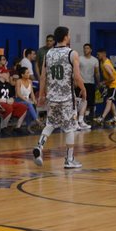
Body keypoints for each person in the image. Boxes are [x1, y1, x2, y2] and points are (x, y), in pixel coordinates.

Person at [32, 26, 87, 169]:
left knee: (50, 124)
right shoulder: (72, 53)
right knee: (70, 129)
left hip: (52, 97)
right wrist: (83, 88)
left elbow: (43, 77)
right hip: (67, 98)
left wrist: (42, 95)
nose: (69, 37)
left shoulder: (48, 54)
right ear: (65, 37)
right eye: (68, 35)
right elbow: (76, 76)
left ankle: (40, 146)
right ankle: (69, 160)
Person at [0, 66, 28, 136]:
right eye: (6, 72)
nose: (8, 74)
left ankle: (18, 127)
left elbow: (11, 96)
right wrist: (6, 101)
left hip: (7, 102)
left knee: (23, 107)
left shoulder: (8, 84)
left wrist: (11, 99)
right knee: (8, 107)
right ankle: (3, 127)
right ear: (0, 74)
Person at [95, 49, 116, 126]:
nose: (97, 56)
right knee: (110, 100)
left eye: (98, 54)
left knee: (109, 100)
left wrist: (103, 82)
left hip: (115, 83)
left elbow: (112, 78)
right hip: (110, 84)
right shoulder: (102, 62)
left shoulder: (106, 65)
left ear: (103, 54)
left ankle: (102, 118)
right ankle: (115, 118)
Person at [77, 43, 100, 130]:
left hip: (90, 83)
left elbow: (97, 72)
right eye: (84, 48)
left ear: (91, 50)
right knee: (81, 101)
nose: (85, 50)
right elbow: (76, 71)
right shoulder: (79, 59)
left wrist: (98, 83)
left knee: (90, 103)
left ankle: (86, 118)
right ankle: (80, 119)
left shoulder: (95, 60)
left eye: (87, 48)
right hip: (81, 83)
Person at [15, 66, 40, 132]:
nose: (29, 74)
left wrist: (34, 100)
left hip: (27, 101)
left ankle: (28, 127)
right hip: (19, 100)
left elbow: (32, 93)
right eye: (27, 73)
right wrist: (26, 100)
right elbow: (18, 94)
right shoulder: (18, 81)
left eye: (29, 72)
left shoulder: (30, 81)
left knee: (31, 105)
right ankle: (37, 120)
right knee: (29, 104)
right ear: (22, 75)